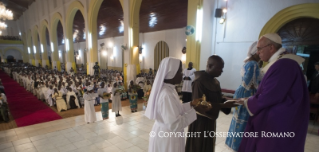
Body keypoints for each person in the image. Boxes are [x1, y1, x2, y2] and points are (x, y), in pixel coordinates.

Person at [236, 33, 309, 152]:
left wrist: (249, 101)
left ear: (271, 47)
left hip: (279, 122)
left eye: (259, 48)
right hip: (283, 117)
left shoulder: (283, 65)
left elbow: (269, 96)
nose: (257, 52)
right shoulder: (283, 62)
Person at [145, 57, 211, 152]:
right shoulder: (166, 95)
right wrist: (195, 111)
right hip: (167, 137)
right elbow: (175, 124)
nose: (182, 74)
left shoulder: (170, 89)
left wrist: (191, 104)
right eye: (180, 72)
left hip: (168, 133)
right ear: (171, 73)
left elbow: (176, 109)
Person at [185, 55, 238, 152]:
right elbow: (199, 105)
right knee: (198, 146)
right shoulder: (199, 81)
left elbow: (218, 98)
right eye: (219, 68)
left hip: (210, 121)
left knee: (208, 145)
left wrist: (228, 100)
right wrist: (223, 105)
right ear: (209, 66)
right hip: (200, 122)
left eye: (222, 68)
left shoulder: (215, 82)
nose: (221, 71)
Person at [225, 41, 260, 151]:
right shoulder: (254, 64)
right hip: (247, 93)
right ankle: (240, 146)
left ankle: (233, 144)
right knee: (244, 121)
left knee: (238, 119)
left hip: (241, 91)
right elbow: (249, 83)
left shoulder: (247, 62)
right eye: (259, 51)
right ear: (255, 52)